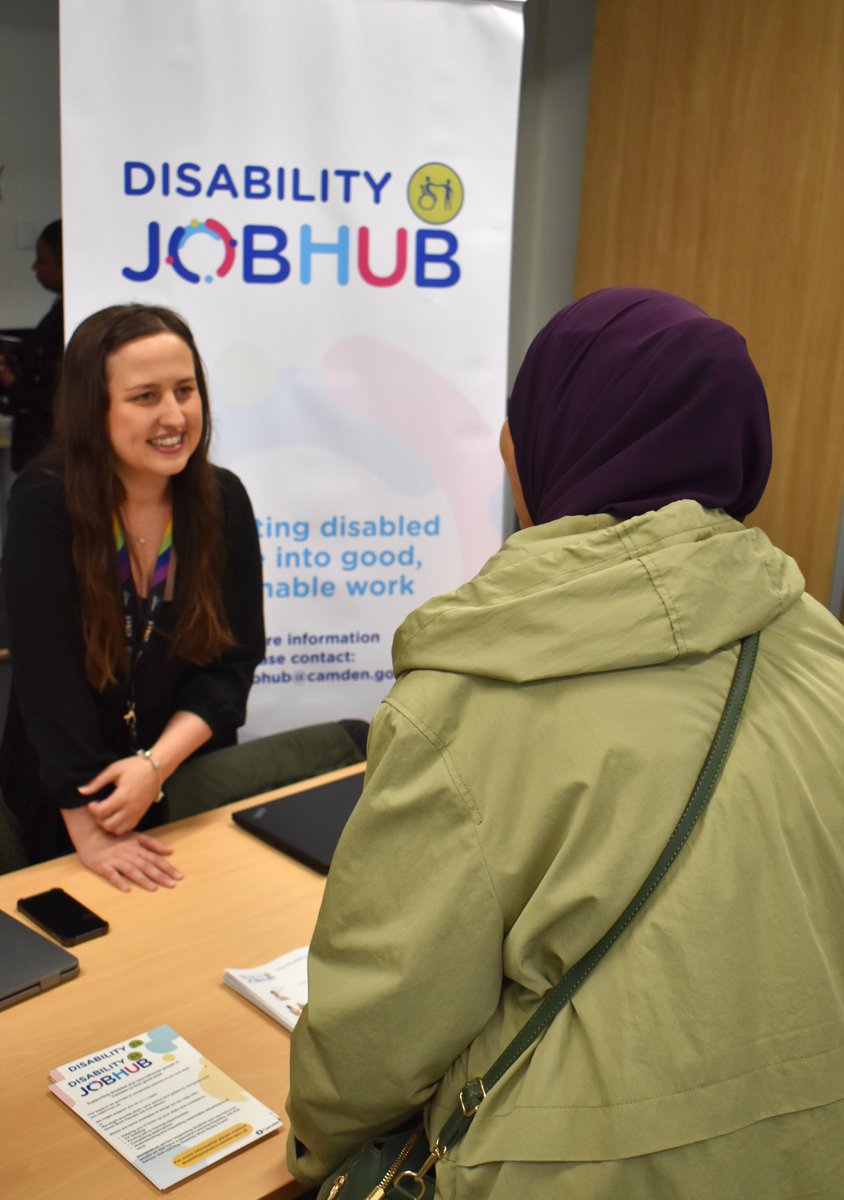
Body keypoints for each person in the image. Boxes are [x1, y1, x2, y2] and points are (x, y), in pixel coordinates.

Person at [286, 289, 844, 1197]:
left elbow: (377, 1033)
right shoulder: (819, 642)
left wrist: (316, 1155)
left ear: (547, 440)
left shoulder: (466, 698)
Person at [0, 304, 265, 890]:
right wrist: (88, 823)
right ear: (94, 409)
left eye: (185, 389)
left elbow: (233, 666)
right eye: (145, 396)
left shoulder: (223, 500)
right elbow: (46, 678)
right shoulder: (44, 503)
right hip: (68, 786)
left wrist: (155, 766)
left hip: (178, 773)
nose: (174, 415)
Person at [0, 220, 64, 472]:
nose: (35, 267)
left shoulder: (71, 320)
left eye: (42, 260)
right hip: (34, 450)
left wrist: (12, 384)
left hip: (47, 452)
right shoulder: (57, 311)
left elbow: (54, 396)